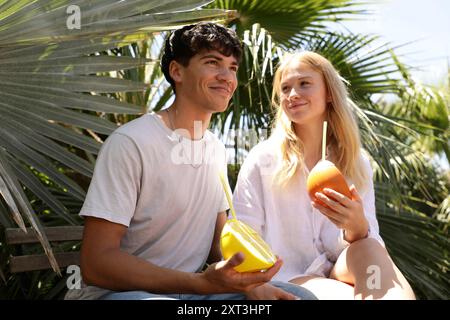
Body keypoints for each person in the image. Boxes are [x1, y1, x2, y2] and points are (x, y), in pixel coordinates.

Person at [65, 23, 315, 300]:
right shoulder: (131, 143)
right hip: (121, 294)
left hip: (191, 292)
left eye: (232, 67)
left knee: (297, 297)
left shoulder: (215, 149)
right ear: (176, 71)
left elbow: (219, 242)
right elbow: (96, 264)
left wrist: (249, 282)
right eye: (212, 63)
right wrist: (198, 284)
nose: (227, 77)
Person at [232, 51, 416, 300]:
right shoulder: (263, 159)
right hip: (290, 275)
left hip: (343, 267)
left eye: (304, 83)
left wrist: (357, 227)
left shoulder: (355, 162)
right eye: (285, 88)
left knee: (373, 253)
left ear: (329, 92)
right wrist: (253, 285)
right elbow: (243, 233)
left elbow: (367, 238)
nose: (293, 94)